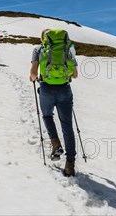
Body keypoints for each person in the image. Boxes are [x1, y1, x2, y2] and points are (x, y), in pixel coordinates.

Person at [29, 29, 79, 177]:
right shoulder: (67, 49)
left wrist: (35, 79)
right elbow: (75, 75)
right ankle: (70, 164)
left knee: (46, 116)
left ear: (43, 39)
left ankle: (55, 143)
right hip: (65, 90)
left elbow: (32, 73)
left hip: (46, 89)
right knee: (67, 126)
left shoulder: (38, 49)